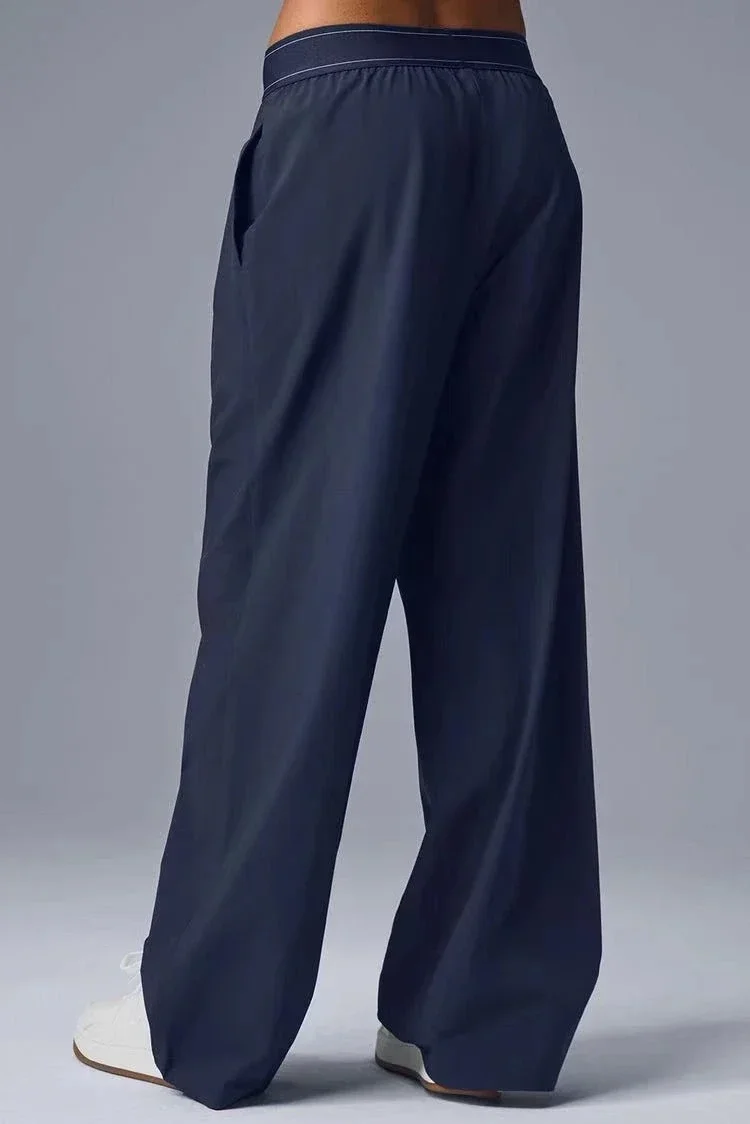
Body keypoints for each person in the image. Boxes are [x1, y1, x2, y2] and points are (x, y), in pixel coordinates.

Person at [73, 0, 601, 1109]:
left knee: (289, 566)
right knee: (505, 579)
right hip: (511, 108)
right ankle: (482, 1017)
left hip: (354, 103)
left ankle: (208, 1010)